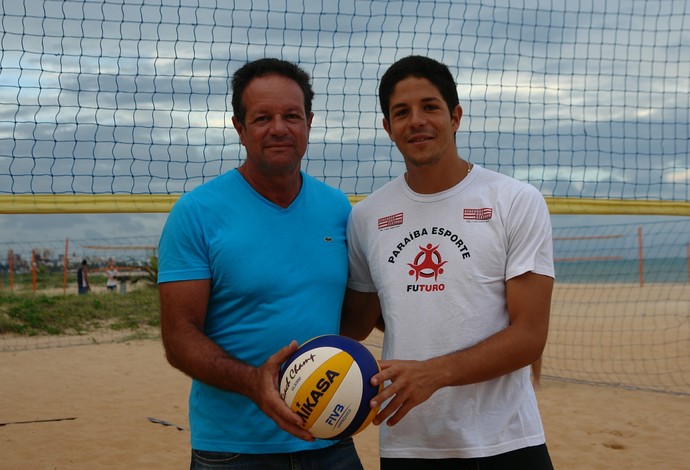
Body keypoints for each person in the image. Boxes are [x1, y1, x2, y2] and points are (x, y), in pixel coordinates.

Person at [341, 55, 555, 469]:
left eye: (430, 107)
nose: (416, 120)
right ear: (388, 128)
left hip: (507, 440)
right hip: (410, 442)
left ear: (455, 116)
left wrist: (433, 372)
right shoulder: (366, 216)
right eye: (401, 112)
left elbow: (530, 336)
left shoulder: (513, 200)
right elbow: (363, 320)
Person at [157, 58, 360, 469]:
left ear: (309, 122)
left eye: (292, 116)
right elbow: (179, 337)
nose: (279, 128)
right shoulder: (197, 212)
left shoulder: (338, 208)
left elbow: (359, 312)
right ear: (239, 127)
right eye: (263, 117)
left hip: (329, 438)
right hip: (233, 450)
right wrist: (253, 383)